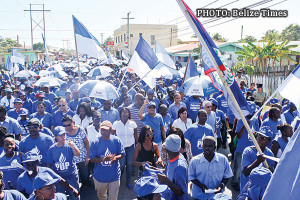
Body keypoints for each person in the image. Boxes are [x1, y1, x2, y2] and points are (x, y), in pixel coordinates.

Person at [89, 120, 125, 200]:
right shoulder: (95, 142)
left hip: (114, 175)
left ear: (111, 130)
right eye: (102, 129)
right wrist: (104, 159)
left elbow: (122, 154)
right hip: (100, 176)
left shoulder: (116, 140)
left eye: (106, 130)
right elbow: (91, 159)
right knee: (101, 196)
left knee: (113, 197)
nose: (103, 132)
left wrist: (115, 158)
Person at [231, 101, 259, 191]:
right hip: (241, 148)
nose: (252, 114)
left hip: (251, 148)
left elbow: (257, 132)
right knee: (238, 167)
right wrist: (245, 125)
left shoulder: (255, 119)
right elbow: (238, 135)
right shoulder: (241, 120)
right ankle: (235, 182)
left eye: (253, 112)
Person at [48, 126, 80, 200]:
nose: (63, 137)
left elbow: (78, 154)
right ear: (55, 136)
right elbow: (49, 163)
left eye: (64, 135)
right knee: (59, 196)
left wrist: (73, 147)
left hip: (71, 176)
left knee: (75, 196)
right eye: (60, 135)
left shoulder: (70, 145)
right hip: (59, 178)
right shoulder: (52, 149)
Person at [112, 107, 138, 189]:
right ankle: (118, 179)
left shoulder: (132, 123)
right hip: (120, 148)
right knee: (122, 165)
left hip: (130, 147)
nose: (125, 114)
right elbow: (112, 136)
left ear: (129, 114)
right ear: (120, 114)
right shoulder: (116, 123)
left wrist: (137, 145)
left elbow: (136, 135)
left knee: (129, 164)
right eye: (123, 112)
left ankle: (128, 181)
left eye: (126, 112)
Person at [62, 115, 89, 190]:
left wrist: (87, 156)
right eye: (65, 125)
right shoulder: (63, 133)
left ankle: (85, 185)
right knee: (74, 177)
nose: (67, 127)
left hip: (82, 157)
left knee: (85, 174)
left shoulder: (80, 129)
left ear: (73, 123)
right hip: (71, 160)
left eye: (68, 125)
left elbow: (86, 142)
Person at [157, 134, 189, 200]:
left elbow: (181, 192)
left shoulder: (179, 166)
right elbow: (169, 173)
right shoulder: (174, 158)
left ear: (166, 148)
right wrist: (152, 169)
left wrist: (166, 181)